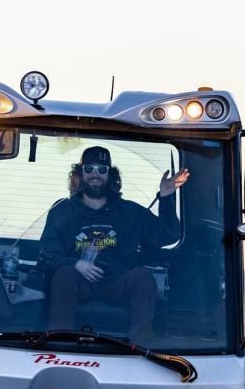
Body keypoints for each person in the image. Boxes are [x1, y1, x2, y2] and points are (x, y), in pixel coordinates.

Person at [37, 145, 189, 342]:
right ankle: (58, 342)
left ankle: (141, 347)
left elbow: (168, 235)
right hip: (78, 281)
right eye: (89, 169)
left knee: (142, 277)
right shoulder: (62, 211)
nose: (95, 175)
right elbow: (47, 254)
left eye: (102, 170)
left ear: (110, 175)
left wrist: (166, 197)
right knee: (64, 274)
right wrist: (76, 264)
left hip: (117, 282)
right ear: (80, 174)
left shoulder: (130, 212)